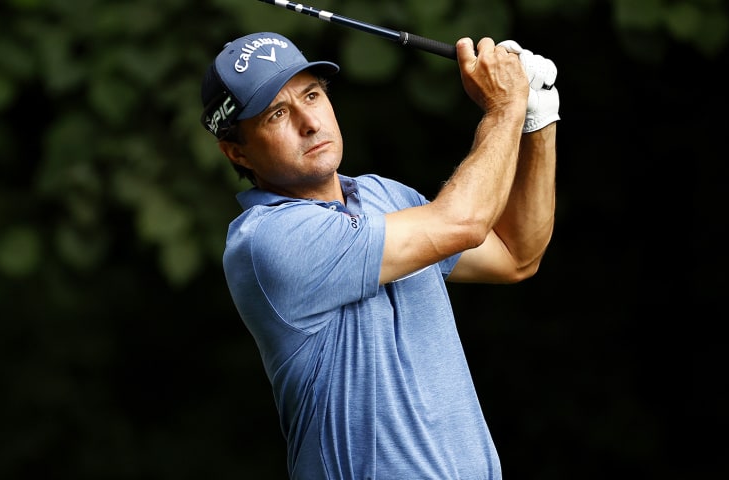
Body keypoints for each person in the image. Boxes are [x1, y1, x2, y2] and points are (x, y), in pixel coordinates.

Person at [200, 31, 559, 480]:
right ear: (237, 152)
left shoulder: (382, 195)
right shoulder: (267, 240)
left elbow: (515, 255)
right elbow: (462, 223)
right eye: (277, 114)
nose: (309, 122)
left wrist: (536, 117)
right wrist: (505, 106)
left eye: (312, 95)